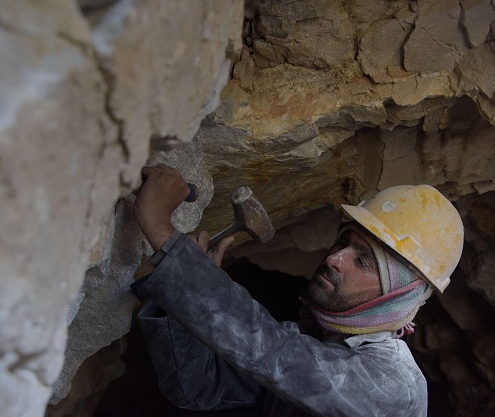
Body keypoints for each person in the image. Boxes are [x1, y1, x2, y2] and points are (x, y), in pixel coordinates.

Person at [131, 164, 464, 417]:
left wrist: (165, 237)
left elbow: (273, 353)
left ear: (398, 295)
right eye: (343, 242)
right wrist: (183, 292)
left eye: (363, 262)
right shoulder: (320, 345)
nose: (335, 258)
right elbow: (198, 388)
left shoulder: (393, 387)